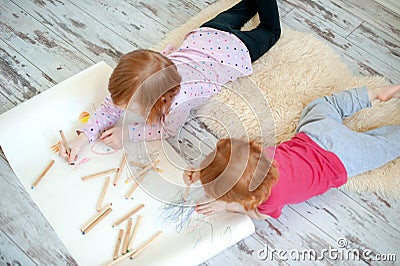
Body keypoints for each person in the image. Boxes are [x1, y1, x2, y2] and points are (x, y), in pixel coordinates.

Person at [59, 0, 281, 164]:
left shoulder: (179, 102)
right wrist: (82, 139)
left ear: (157, 100)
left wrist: (126, 133)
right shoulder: (144, 78)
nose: (120, 108)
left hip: (234, 52)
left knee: (271, 31)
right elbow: (110, 108)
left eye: (128, 106)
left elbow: (167, 130)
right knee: (244, 8)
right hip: (207, 33)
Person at [184, 84, 400, 219]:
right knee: (325, 105)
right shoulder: (264, 156)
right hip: (317, 135)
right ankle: (373, 93)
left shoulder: (269, 200)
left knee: (387, 146)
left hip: (343, 160)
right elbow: (231, 166)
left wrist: (226, 206)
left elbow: (257, 215)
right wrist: (203, 173)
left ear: (249, 197)